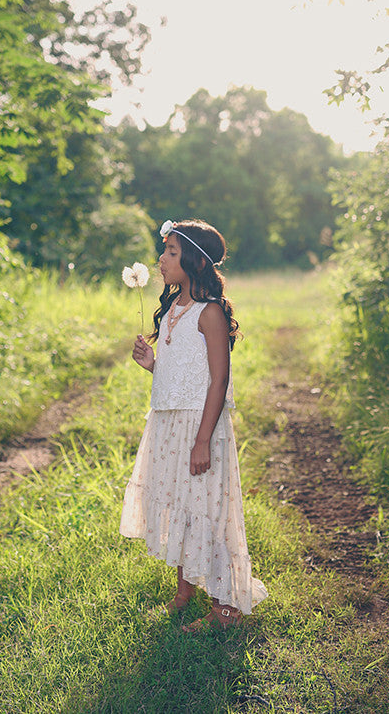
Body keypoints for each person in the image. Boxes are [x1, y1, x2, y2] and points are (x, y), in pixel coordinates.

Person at [120, 218, 267, 631]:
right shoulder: (173, 310)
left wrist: (203, 441)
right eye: (163, 251)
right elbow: (182, 373)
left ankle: (226, 609)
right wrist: (153, 365)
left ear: (196, 262)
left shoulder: (210, 314)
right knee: (178, 505)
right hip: (168, 424)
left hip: (200, 427)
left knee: (205, 508)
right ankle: (185, 591)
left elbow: (218, 380)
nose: (161, 260)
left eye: (170, 252)